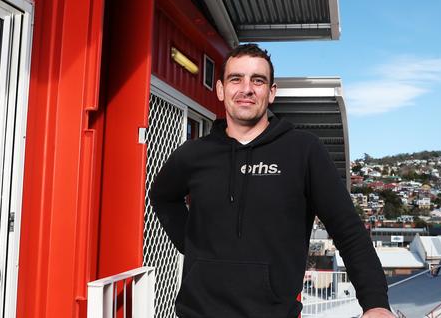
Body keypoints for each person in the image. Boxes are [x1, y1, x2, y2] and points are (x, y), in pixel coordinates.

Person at [151, 44, 393, 318]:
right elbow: (162, 196)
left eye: (258, 80)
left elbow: (348, 230)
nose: (246, 89)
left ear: (271, 92)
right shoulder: (194, 154)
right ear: (220, 89)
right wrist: (191, 245)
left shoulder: (303, 151)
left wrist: (375, 304)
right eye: (236, 79)